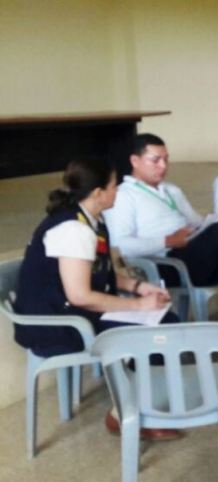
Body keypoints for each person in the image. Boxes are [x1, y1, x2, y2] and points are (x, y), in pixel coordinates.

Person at [13, 159, 181, 440]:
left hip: (75, 311)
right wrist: (138, 306)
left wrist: (139, 287)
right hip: (57, 324)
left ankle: (142, 402)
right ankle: (125, 414)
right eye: (114, 186)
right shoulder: (73, 229)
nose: (118, 191)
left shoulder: (91, 218)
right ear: (98, 192)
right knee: (152, 335)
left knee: (167, 320)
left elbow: (96, 273)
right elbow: (80, 295)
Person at [103, 134, 218, 355]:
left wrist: (206, 223)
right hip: (168, 264)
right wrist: (167, 240)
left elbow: (195, 222)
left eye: (166, 159)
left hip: (198, 255)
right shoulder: (124, 196)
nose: (163, 166)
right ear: (135, 161)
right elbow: (120, 245)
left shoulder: (171, 190)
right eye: (155, 160)